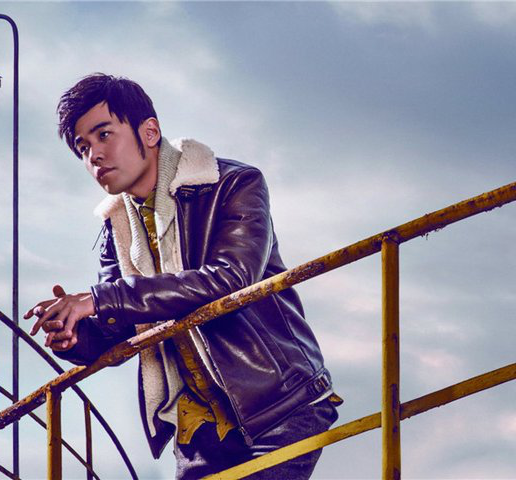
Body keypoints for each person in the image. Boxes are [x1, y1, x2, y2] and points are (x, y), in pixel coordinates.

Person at [25, 73, 340, 479]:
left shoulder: (232, 184)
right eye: (83, 148)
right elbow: (121, 326)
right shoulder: (117, 226)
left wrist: (100, 299)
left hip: (279, 406)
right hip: (199, 428)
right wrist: (74, 336)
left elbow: (232, 278)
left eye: (104, 135)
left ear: (149, 132)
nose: (94, 156)